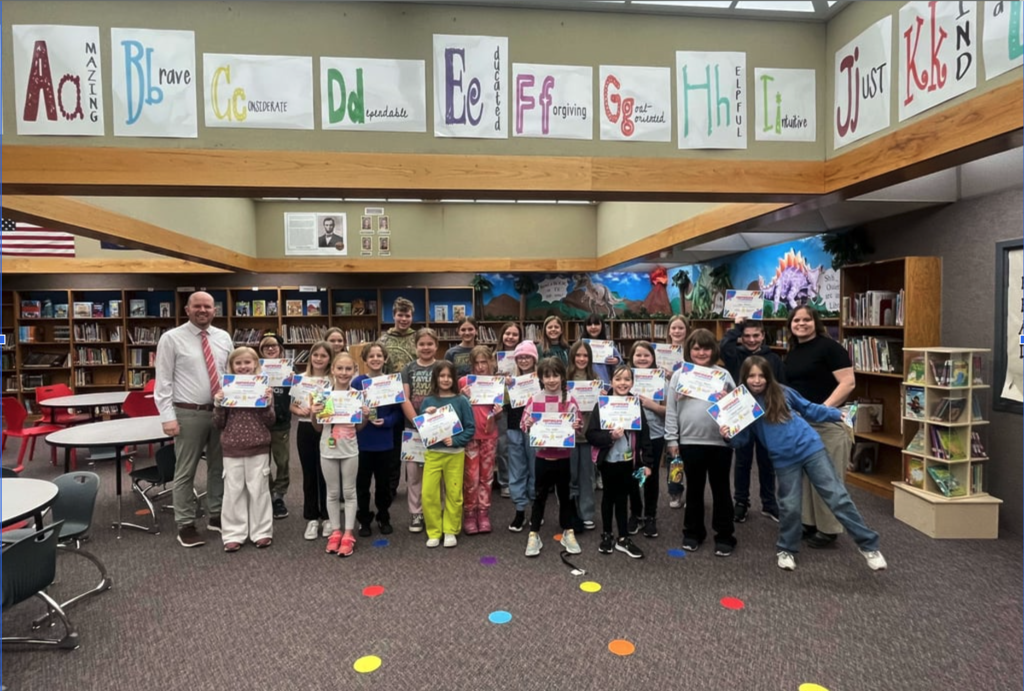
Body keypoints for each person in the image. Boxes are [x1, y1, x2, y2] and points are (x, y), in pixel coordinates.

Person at [722, 357, 887, 573]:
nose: (757, 380)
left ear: (768, 376)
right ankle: (786, 549)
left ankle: (868, 546)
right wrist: (728, 435)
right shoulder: (742, 404)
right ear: (744, 378)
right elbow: (742, 440)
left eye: (761, 375)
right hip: (783, 459)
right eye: (751, 376)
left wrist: (836, 414)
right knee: (790, 506)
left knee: (837, 496)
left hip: (810, 448)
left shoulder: (783, 392)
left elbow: (809, 409)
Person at [154, 291, 233, 549]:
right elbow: (163, 381)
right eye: (197, 306)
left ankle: (216, 514)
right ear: (187, 310)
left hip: (221, 411)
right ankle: (185, 523)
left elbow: (231, 374)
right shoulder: (171, 338)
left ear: (214, 310)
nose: (203, 310)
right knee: (185, 471)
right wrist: (167, 417)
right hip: (188, 413)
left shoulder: (223, 337)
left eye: (207, 306)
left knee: (218, 467)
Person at [784, 305, 856, 549]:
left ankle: (828, 528)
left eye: (807, 319)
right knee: (805, 475)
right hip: (801, 423)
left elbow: (848, 383)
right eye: (796, 320)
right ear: (790, 325)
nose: (801, 324)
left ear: (816, 322)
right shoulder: (793, 351)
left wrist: (821, 409)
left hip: (827, 423)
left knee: (828, 476)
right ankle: (809, 522)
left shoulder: (830, 348)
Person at [665, 329, 737, 557]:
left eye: (706, 348)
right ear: (689, 350)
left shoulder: (723, 375)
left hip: (719, 442)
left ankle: (724, 534)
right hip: (689, 441)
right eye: (696, 348)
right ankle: (693, 532)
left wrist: (727, 400)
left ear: (713, 350)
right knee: (694, 489)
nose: (701, 353)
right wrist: (671, 439)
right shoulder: (680, 375)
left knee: (721, 489)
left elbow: (736, 408)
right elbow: (671, 410)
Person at [719, 317, 785, 524]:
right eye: (746, 336)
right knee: (742, 462)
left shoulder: (773, 359)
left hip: (767, 417)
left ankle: (769, 503)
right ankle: (741, 502)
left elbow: (782, 386)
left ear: (763, 336)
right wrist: (738, 326)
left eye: (756, 335)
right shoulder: (735, 355)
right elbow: (724, 345)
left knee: (767, 462)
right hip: (742, 416)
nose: (751, 340)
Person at [212, 347, 276, 552]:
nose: (243, 366)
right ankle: (233, 533)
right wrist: (218, 404)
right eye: (238, 363)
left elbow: (270, 421)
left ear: (255, 364)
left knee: (259, 490)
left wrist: (267, 403)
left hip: (258, 446)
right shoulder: (227, 388)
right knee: (233, 491)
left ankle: (262, 532)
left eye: (247, 362)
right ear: (232, 366)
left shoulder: (263, 387)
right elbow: (219, 423)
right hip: (232, 447)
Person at [585, 364, 652, 559]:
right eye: (618, 379)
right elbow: (591, 434)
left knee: (623, 497)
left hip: (628, 460)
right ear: (611, 381)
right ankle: (607, 534)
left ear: (632, 382)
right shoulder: (602, 405)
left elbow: (645, 435)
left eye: (627, 379)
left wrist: (647, 463)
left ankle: (623, 537)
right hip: (608, 460)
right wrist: (610, 437)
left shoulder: (635, 405)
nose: (623, 383)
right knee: (608, 496)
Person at [520, 357, 583, 558]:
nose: (552, 380)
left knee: (564, 496)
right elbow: (523, 424)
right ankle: (534, 533)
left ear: (562, 377)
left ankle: (568, 531)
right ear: (541, 378)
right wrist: (528, 424)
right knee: (539, 496)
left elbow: (578, 423)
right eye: (547, 376)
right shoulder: (534, 399)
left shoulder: (570, 400)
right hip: (542, 457)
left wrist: (576, 425)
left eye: (556, 375)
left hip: (563, 457)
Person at [310, 351, 368, 558]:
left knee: (350, 492)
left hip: (350, 448)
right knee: (333, 493)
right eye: (340, 368)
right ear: (333, 370)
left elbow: (359, 427)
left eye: (348, 369)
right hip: (327, 449)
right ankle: (335, 531)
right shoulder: (323, 395)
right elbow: (318, 428)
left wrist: (365, 415)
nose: (344, 372)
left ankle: (348, 533)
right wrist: (313, 413)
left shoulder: (357, 395)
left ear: (354, 371)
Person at [419, 361, 475, 548]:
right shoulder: (428, 401)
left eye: (449, 376)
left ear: (454, 378)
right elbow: (423, 427)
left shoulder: (461, 401)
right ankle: (434, 531)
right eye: (441, 376)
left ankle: (450, 529)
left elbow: (470, 428)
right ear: (435, 378)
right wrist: (426, 414)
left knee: (454, 493)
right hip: (433, 454)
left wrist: (456, 440)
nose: (445, 379)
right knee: (429, 494)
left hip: (455, 454)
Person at [352, 342, 403, 537]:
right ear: (365, 360)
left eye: (379, 356)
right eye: (371, 356)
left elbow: (398, 412)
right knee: (362, 484)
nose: (375, 359)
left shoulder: (392, 382)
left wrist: (387, 421)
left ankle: (383, 515)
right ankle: (364, 518)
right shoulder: (358, 382)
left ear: (385, 359)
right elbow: (350, 409)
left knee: (383, 484)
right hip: (363, 441)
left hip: (385, 441)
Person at [290, 341, 333, 541]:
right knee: (309, 473)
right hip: (306, 428)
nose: (318, 359)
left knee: (327, 473)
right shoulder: (300, 378)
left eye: (323, 356)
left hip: (327, 429)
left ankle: (327, 516)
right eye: (315, 355)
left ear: (330, 359)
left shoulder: (333, 379)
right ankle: (312, 518)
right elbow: (292, 406)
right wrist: (300, 411)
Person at [458, 345, 502, 534]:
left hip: (489, 435)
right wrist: (462, 397)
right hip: (470, 436)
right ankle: (469, 513)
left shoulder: (496, 383)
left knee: (487, 477)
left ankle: (483, 513)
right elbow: (455, 408)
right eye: (477, 363)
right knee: (471, 477)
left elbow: (498, 414)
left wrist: (498, 412)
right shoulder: (464, 382)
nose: (481, 367)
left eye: (484, 362)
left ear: (491, 362)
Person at [400, 328, 440, 533]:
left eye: (429, 344)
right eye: (421, 344)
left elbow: (447, 394)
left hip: (437, 428)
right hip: (413, 428)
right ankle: (416, 512)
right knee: (414, 474)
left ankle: (434, 510)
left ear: (436, 346)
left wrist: (432, 422)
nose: (425, 347)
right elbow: (404, 398)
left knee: (436, 472)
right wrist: (417, 421)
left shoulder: (442, 367)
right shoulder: (408, 368)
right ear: (415, 346)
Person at [627, 340, 667, 539]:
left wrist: (653, 405)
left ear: (653, 358)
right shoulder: (625, 379)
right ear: (631, 357)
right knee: (632, 475)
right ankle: (635, 514)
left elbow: (670, 411)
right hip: (631, 436)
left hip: (655, 435)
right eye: (638, 355)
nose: (642, 358)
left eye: (646, 355)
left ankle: (651, 516)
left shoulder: (661, 381)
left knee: (651, 476)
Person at [380, 297, 418, 499]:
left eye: (407, 315)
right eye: (400, 315)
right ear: (393, 315)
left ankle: (413, 485)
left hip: (414, 398)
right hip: (391, 400)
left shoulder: (418, 338)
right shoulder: (383, 340)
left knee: (414, 441)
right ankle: (391, 486)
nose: (404, 319)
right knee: (393, 445)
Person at [504, 340, 539, 532]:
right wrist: (505, 386)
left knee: (535, 468)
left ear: (534, 359)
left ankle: (535, 509)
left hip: (535, 429)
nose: (524, 360)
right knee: (517, 469)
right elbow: (500, 403)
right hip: (514, 426)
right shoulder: (510, 380)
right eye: (520, 357)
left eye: (528, 357)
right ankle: (519, 510)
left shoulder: (542, 379)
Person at [257, 333, 292, 520]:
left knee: (282, 461)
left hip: (281, 422)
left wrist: (295, 381)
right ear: (260, 350)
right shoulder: (254, 369)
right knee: (263, 461)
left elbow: (298, 395)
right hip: (260, 423)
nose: (270, 349)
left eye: (274, 346)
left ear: (280, 349)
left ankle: (279, 494)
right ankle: (269, 493)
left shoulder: (289, 369)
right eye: (266, 346)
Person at [567, 340, 599, 531]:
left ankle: (586, 513)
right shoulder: (565, 378)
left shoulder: (595, 379)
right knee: (570, 475)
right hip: (568, 436)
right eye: (578, 355)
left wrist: (602, 397)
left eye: (585, 355)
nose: (581, 359)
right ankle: (570, 511)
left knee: (587, 476)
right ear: (572, 357)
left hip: (588, 435)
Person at [492, 322, 523, 498]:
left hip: (520, 405)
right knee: (503, 446)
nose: (510, 337)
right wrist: (495, 377)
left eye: (514, 334)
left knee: (519, 445)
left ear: (520, 337)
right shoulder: (493, 357)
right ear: (502, 335)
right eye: (507, 333)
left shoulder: (525, 356)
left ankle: (520, 479)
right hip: (502, 405)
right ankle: (505, 481)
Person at [663, 314, 689, 508]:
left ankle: (693, 492)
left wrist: (676, 377)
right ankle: (675, 492)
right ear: (669, 331)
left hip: (687, 408)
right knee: (674, 456)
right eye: (674, 328)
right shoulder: (660, 353)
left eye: (681, 328)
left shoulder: (693, 353)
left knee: (692, 455)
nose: (677, 331)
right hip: (667, 406)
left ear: (687, 330)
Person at [582, 313, 622, 386]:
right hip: (584, 384)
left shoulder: (608, 346)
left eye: (596, 324)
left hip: (604, 383)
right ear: (585, 327)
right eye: (589, 324)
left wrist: (617, 360)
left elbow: (620, 363)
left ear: (602, 326)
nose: (593, 327)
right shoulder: (580, 345)